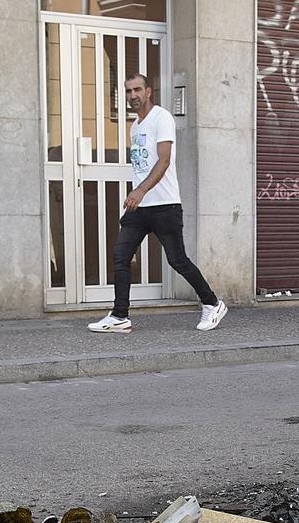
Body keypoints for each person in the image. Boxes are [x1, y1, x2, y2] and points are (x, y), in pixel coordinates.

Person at [87, 73, 227, 334]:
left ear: (149, 91)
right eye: (128, 91)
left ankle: (212, 303)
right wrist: (137, 196)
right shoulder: (136, 125)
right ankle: (120, 316)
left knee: (178, 260)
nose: (133, 96)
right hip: (139, 208)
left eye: (137, 90)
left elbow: (163, 160)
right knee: (121, 256)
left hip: (164, 204)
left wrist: (139, 190)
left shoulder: (161, 118)